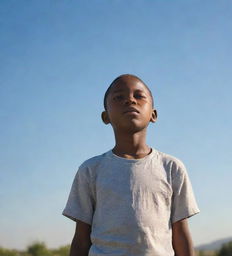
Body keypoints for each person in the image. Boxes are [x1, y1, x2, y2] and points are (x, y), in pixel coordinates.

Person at [62, 74, 200, 256]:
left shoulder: (171, 167)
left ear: (153, 114)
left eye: (139, 96)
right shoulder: (90, 170)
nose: (130, 100)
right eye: (119, 97)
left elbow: (180, 233)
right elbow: (81, 239)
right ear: (106, 117)